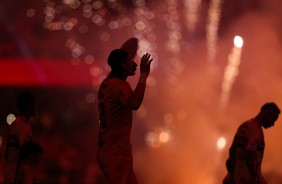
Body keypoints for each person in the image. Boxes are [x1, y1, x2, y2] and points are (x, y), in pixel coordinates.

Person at [97, 49, 153, 184]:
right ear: (123, 65)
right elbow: (134, 103)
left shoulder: (106, 83)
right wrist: (144, 75)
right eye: (130, 60)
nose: (134, 64)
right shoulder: (120, 85)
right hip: (117, 152)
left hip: (107, 150)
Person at [223, 102, 280, 184]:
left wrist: (231, 175)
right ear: (267, 114)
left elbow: (232, 150)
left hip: (236, 177)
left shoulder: (245, 125)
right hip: (248, 178)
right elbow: (250, 153)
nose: (273, 124)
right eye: (273, 120)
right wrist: (253, 177)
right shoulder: (256, 130)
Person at [4, 92, 36, 184]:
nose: (35, 107)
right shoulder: (21, 124)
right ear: (29, 106)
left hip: (12, 174)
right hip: (15, 176)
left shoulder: (20, 123)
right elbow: (26, 151)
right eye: (34, 104)